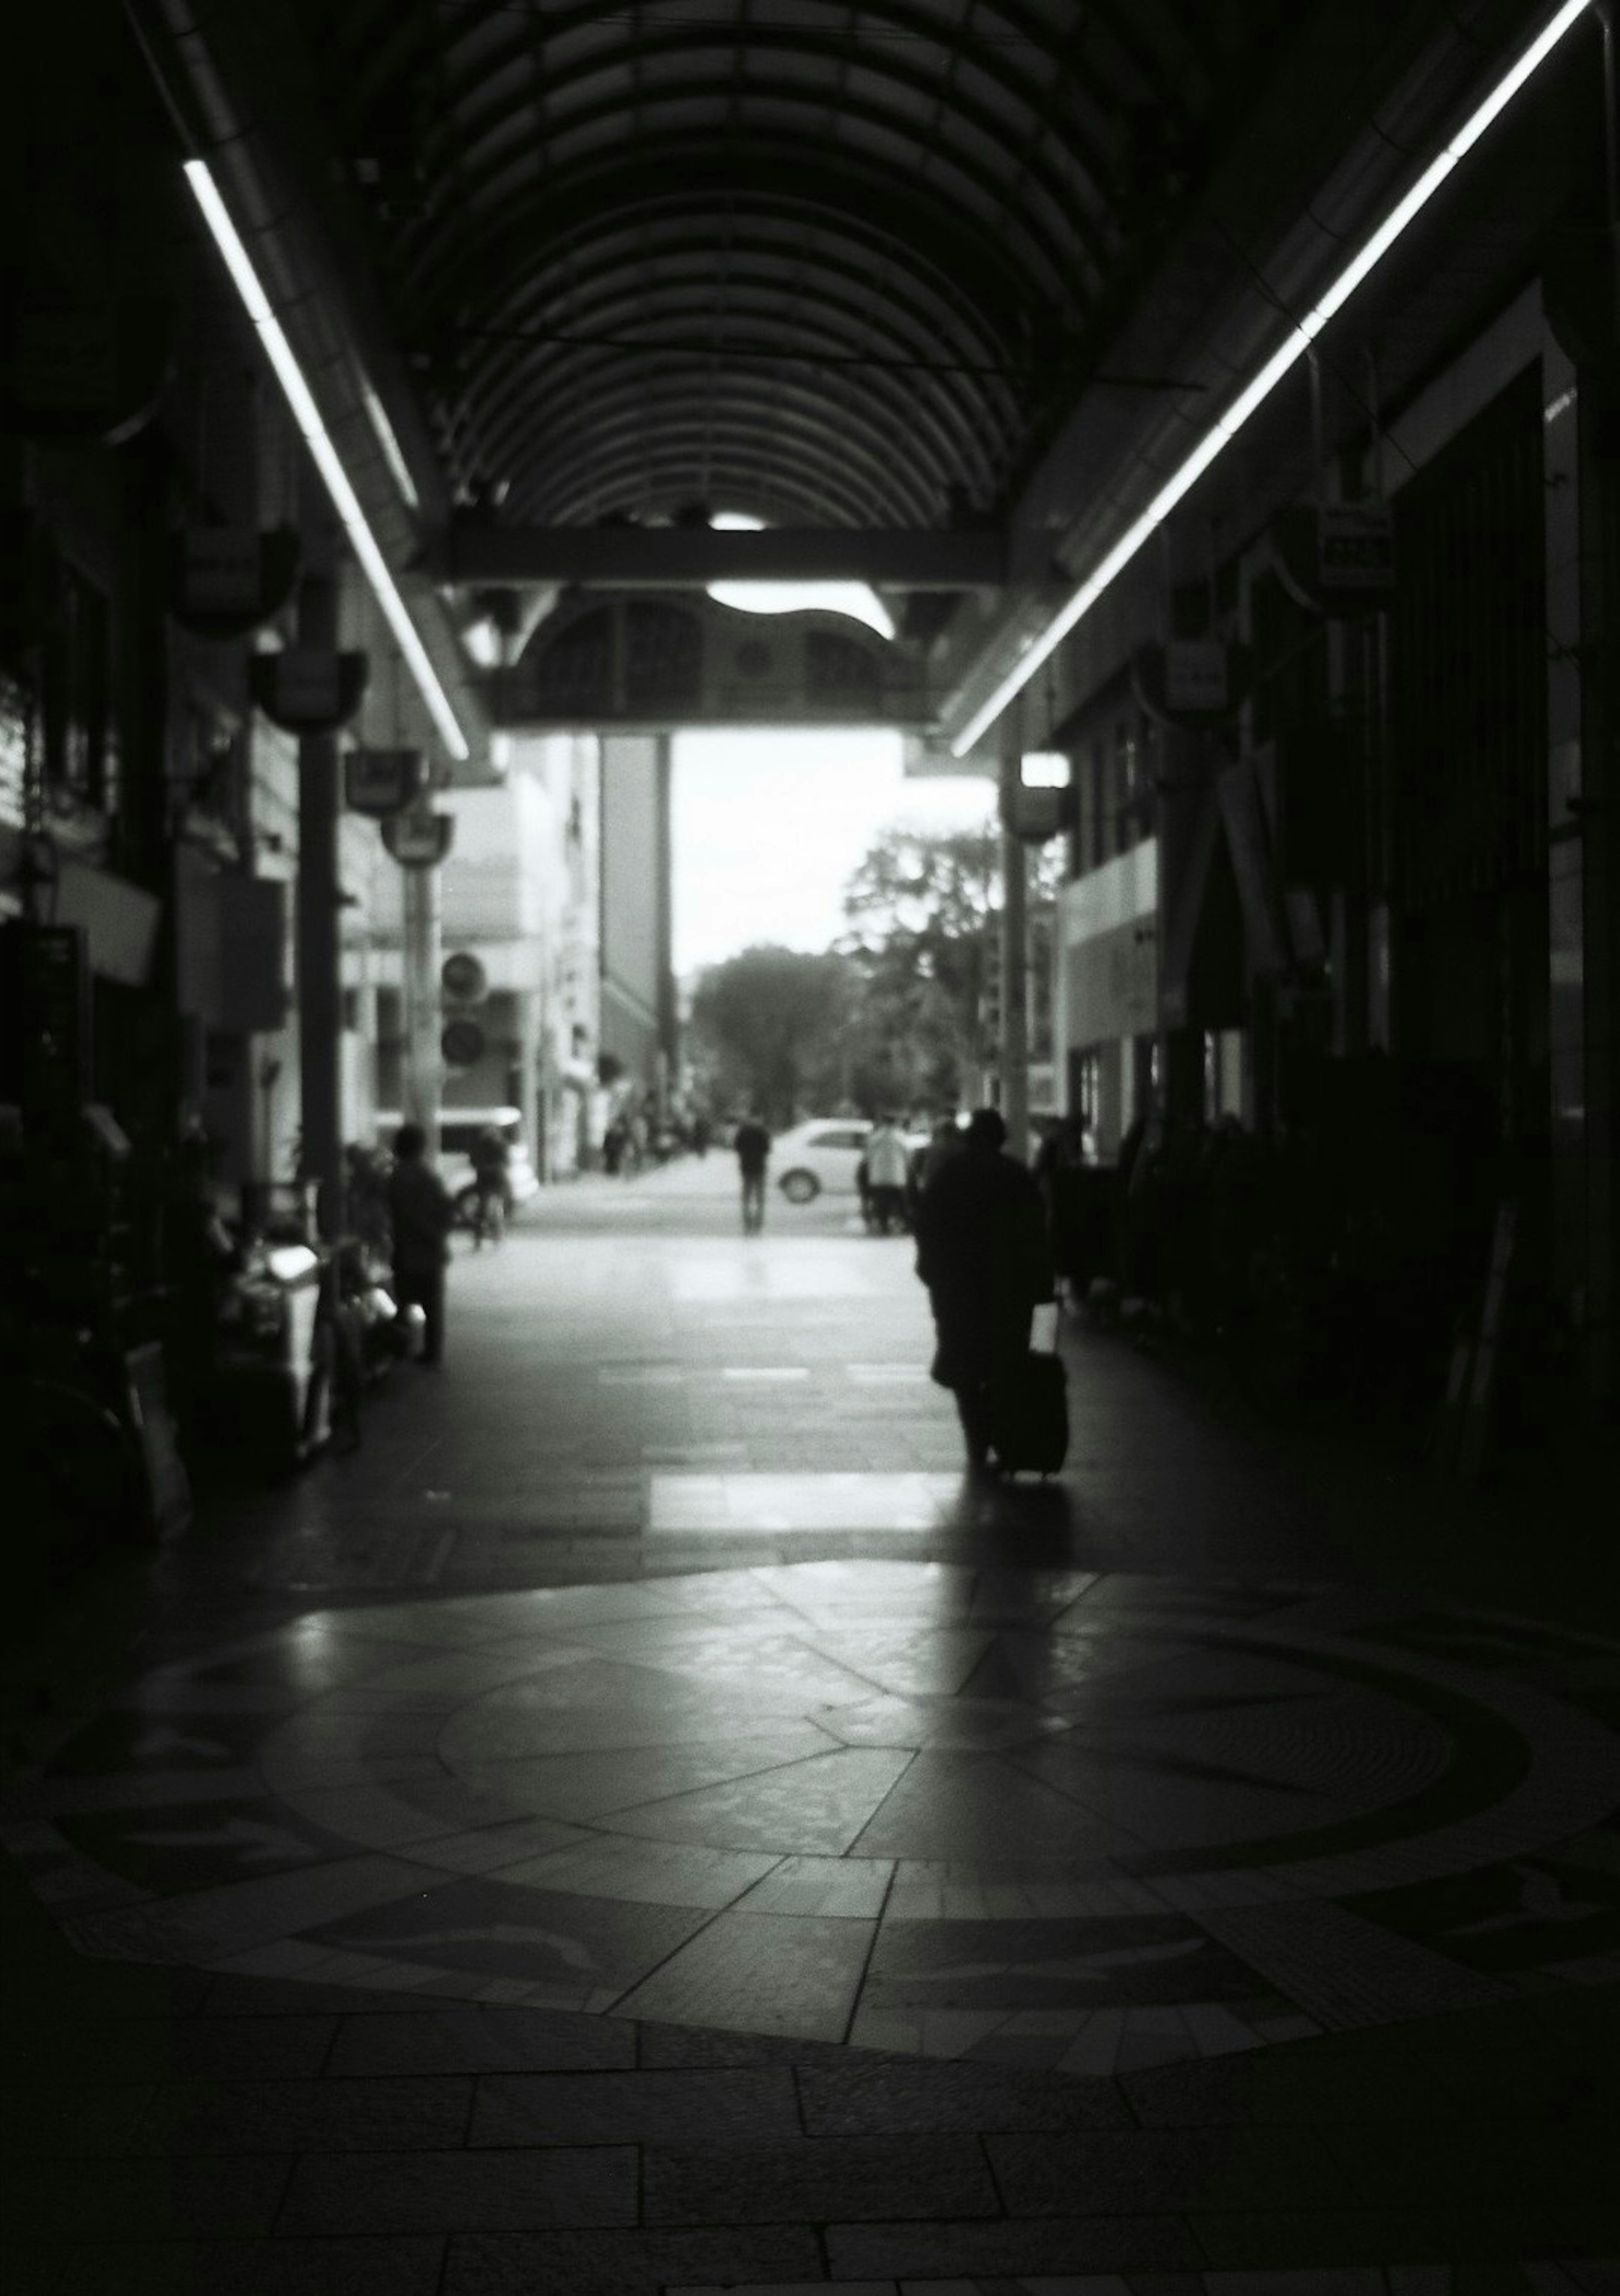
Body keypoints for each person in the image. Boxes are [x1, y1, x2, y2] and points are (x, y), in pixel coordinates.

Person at [913, 1106, 1052, 1475]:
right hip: (1009, 1288)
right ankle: (1004, 1431)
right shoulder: (1015, 1175)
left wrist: (932, 1273)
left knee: (964, 1363)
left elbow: (927, 1226)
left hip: (957, 1288)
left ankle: (976, 1435)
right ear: (1002, 1139)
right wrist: (1042, 1285)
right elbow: (1036, 1232)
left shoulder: (949, 1176)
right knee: (1006, 1358)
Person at [387, 1123, 454, 1366]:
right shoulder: (428, 1174)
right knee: (433, 1305)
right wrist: (437, 1233)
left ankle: (400, 1349)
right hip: (431, 1249)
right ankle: (432, 1352)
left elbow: (401, 1213)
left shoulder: (398, 1176)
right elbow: (447, 1207)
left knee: (403, 1301)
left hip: (408, 1249)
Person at [864, 1114, 911, 1234]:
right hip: (897, 1177)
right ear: (896, 1123)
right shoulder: (901, 1137)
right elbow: (908, 1156)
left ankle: (884, 1226)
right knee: (901, 1203)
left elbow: (868, 1156)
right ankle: (907, 1226)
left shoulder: (875, 1137)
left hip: (879, 1177)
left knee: (881, 1204)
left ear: (883, 1122)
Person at [469, 1124, 510, 1246]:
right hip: (491, 1181)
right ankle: (490, 1235)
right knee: (488, 1209)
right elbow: (505, 1162)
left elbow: (474, 1161)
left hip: (490, 1181)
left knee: (488, 1209)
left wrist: (484, 1168)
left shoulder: (486, 1146)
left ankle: (488, 1235)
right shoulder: (497, 1146)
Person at [733, 1109, 771, 1233]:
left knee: (747, 1195)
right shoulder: (763, 1132)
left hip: (746, 1166)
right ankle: (758, 1224)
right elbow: (768, 1149)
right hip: (759, 1166)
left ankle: (747, 1223)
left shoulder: (743, 1132)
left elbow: (737, 1147)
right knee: (760, 1196)